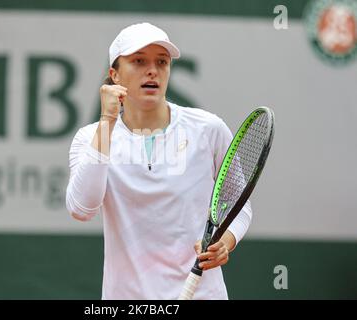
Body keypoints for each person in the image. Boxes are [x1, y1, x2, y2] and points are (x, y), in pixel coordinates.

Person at [65, 22, 252, 300]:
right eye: (139, 61)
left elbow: (240, 206)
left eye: (161, 62)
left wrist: (225, 241)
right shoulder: (91, 138)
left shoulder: (208, 129)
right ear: (114, 75)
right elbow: (82, 208)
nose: (153, 70)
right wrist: (107, 123)